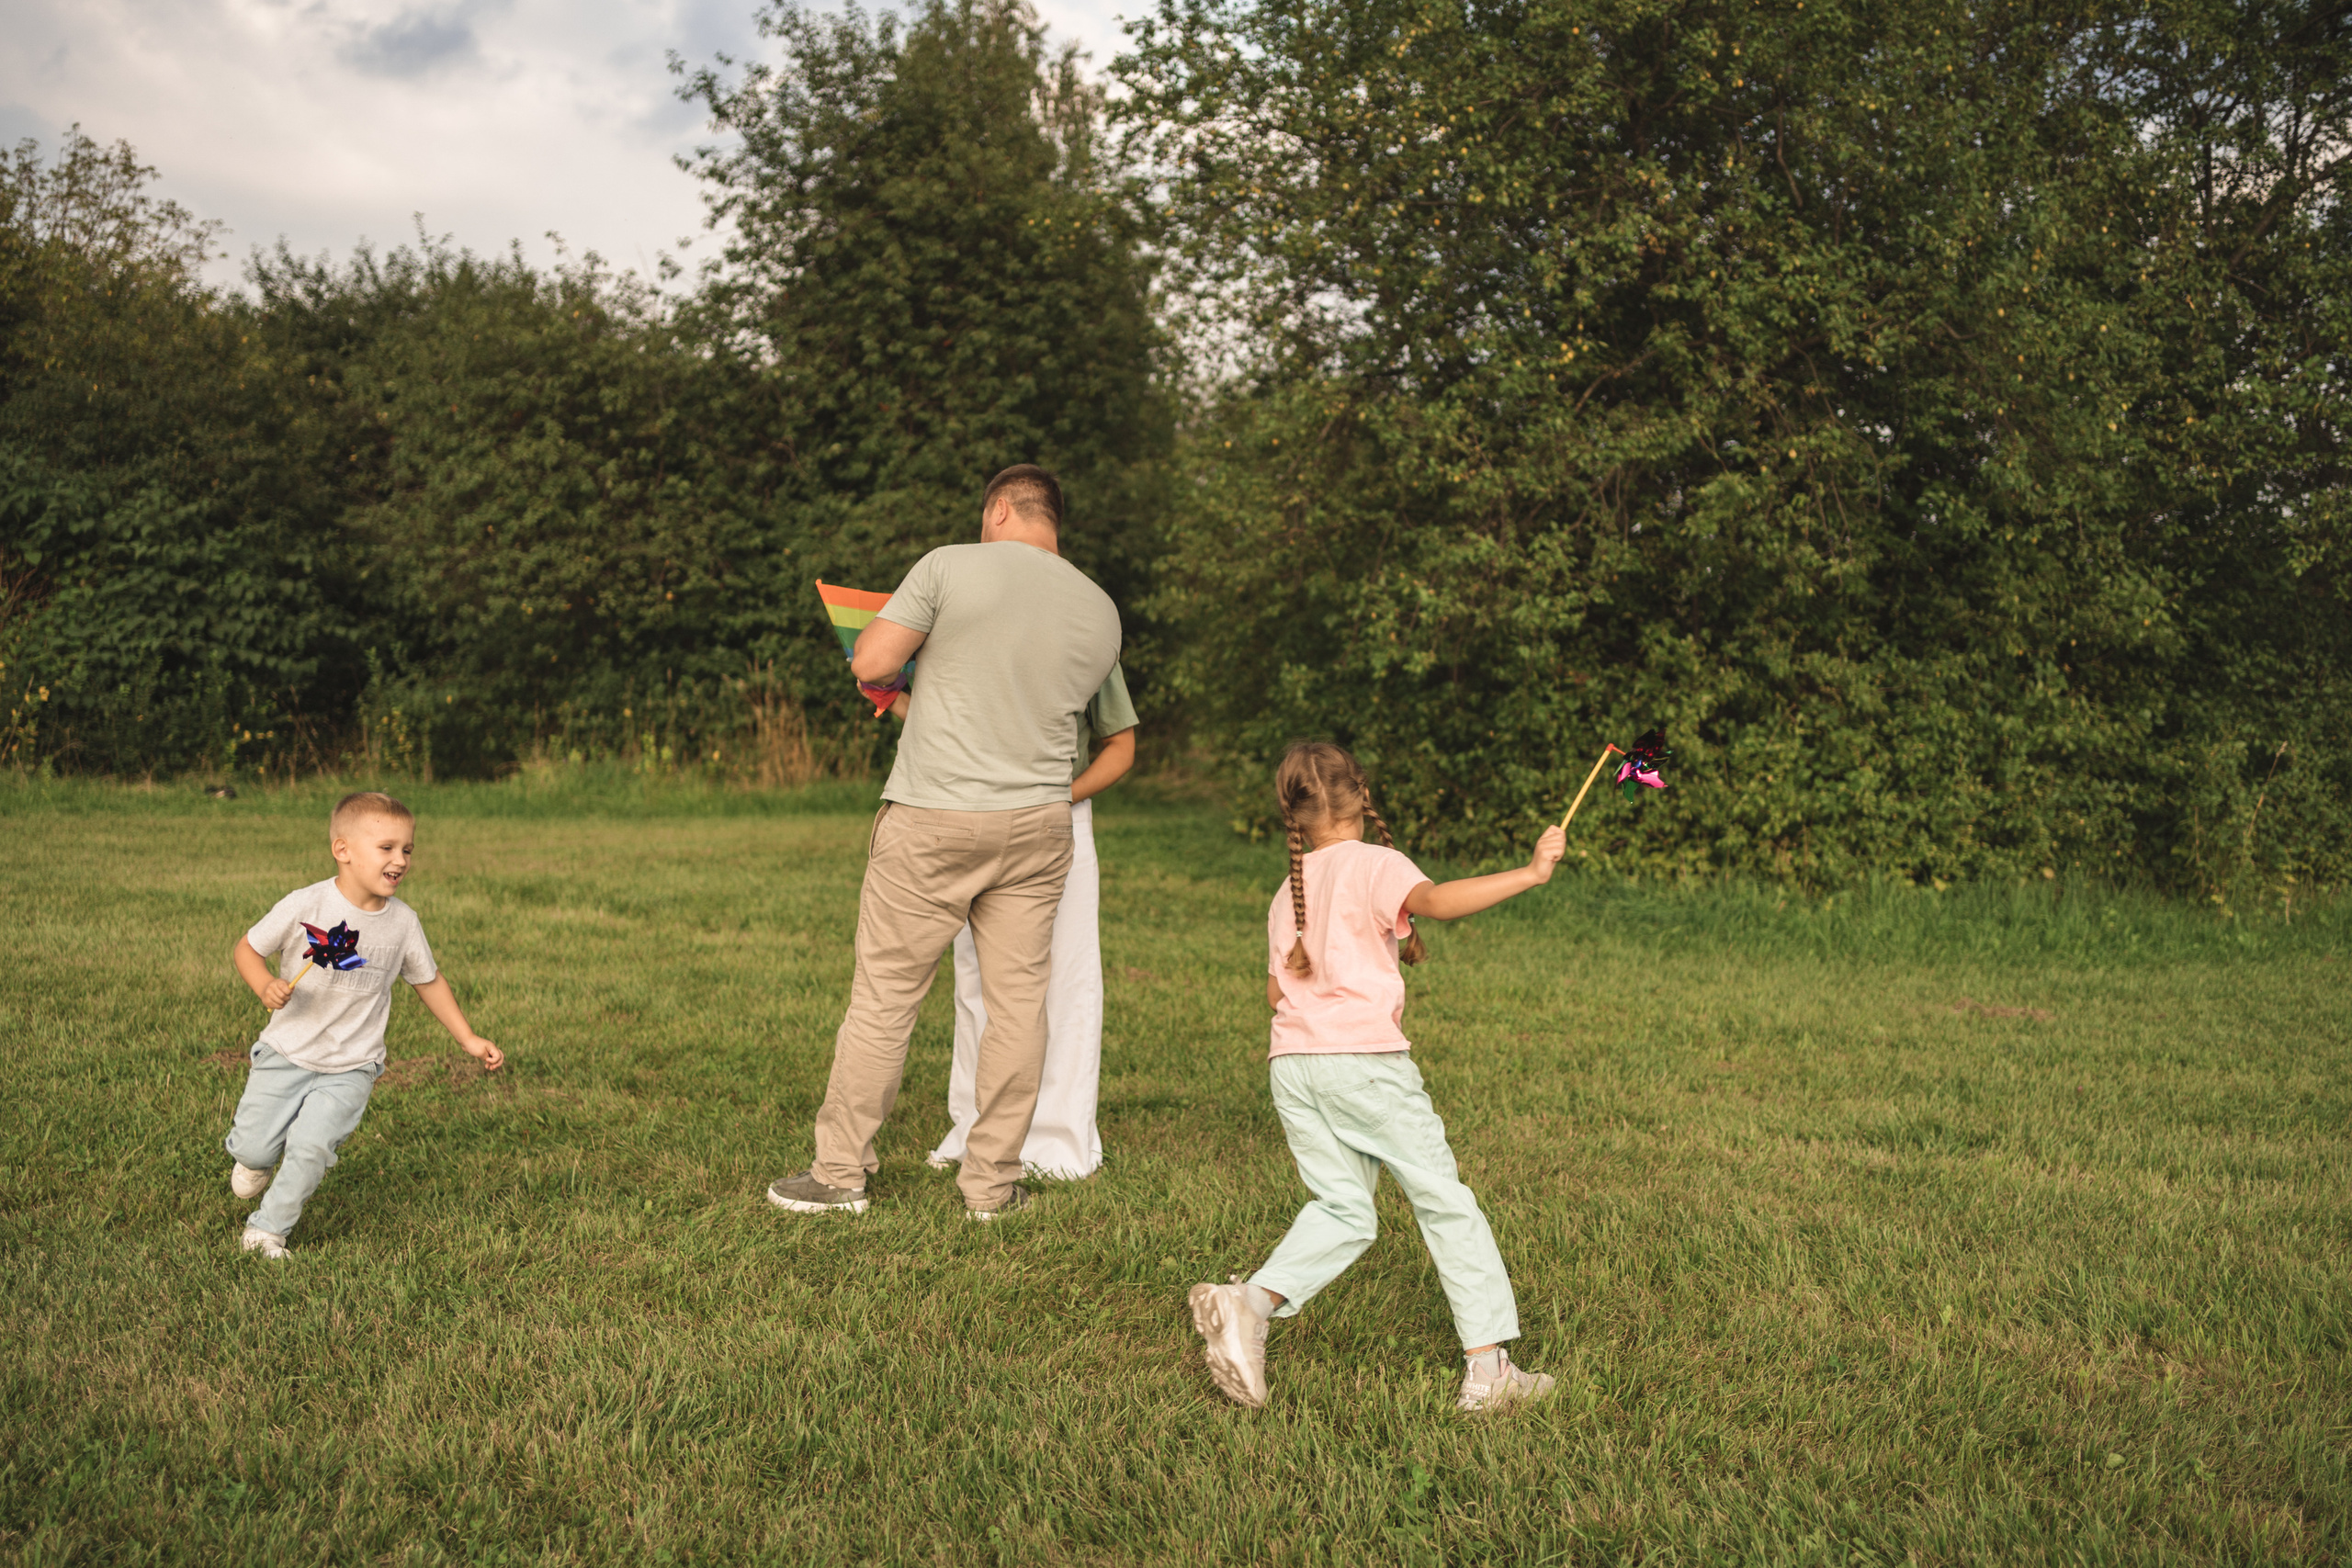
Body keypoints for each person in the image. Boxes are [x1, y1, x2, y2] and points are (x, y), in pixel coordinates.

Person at [768, 464, 1121, 1222]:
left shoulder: (947, 565)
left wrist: (903, 673)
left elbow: (871, 662)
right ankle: (991, 1186)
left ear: (998, 509)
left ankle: (839, 1174)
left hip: (933, 816)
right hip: (1037, 825)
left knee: (887, 996)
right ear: (1050, 520)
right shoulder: (1100, 608)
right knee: (1019, 1005)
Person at [1188, 741, 1564, 1413]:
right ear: (1362, 795)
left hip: (1294, 1068)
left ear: (1294, 816)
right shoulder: (1376, 864)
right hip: (1363, 1066)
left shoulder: (1290, 890)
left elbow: (1277, 993)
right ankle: (1489, 1369)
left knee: (1343, 1208)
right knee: (1444, 1200)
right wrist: (1531, 873)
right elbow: (1439, 900)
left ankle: (1248, 1301)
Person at [224, 791, 504, 1258]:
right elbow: (247, 949)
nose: (401, 859)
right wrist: (264, 986)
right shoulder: (305, 904)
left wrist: (469, 1038)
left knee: (312, 1148)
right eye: (387, 848)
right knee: (255, 1148)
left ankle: (267, 1231)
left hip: (352, 1064)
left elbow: (428, 981)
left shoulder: (403, 924)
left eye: (408, 850)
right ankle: (253, 1158)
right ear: (343, 850)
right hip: (287, 1051)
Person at [925, 671, 1135, 1179]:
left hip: (1057, 819)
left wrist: (1057, 799)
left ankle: (1058, 1142)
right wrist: (896, 697)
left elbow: (1120, 747)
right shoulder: (969, 624)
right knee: (976, 982)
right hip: (972, 817)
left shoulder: (1081, 627)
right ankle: (975, 1130)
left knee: (1065, 981)